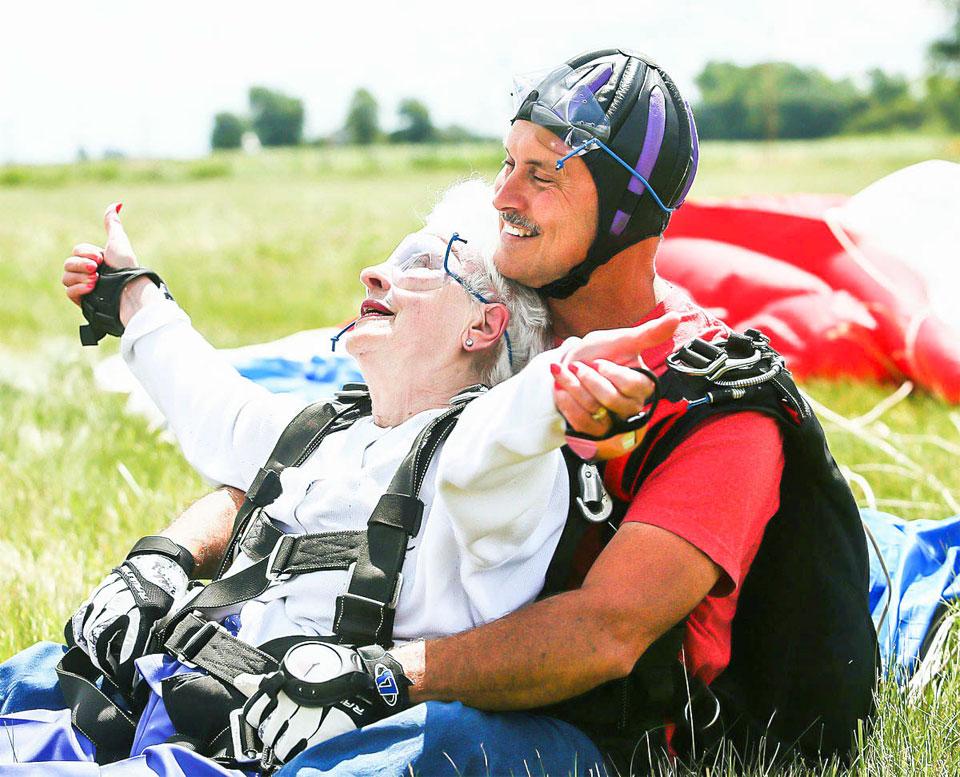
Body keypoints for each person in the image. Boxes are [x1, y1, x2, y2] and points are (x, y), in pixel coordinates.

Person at [2, 48, 876, 776]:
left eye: (543, 175)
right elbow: (295, 463)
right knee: (54, 679)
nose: (505, 195)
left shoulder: (715, 410)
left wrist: (381, 677)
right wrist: (165, 559)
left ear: (623, 215)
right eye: (507, 163)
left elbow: (605, 633)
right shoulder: (478, 339)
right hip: (365, 662)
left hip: (588, 724)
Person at [0, 181, 672, 775]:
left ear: (483, 324)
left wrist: (558, 387)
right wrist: (133, 292)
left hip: (326, 743)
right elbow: (213, 407)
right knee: (37, 672)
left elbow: (501, 440)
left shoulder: (489, 465)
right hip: (207, 705)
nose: (374, 273)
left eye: (418, 264)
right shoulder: (324, 428)